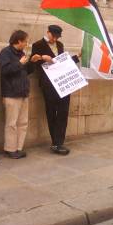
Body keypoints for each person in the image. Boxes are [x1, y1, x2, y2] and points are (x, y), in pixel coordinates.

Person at [31, 25, 80, 155]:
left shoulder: (60, 45)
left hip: (63, 83)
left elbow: (62, 63)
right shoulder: (37, 45)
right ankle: (55, 143)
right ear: (48, 33)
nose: (55, 39)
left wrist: (77, 57)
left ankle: (60, 142)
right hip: (48, 85)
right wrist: (42, 58)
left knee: (63, 112)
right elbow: (33, 64)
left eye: (57, 36)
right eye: (54, 36)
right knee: (51, 112)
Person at [0, 30, 42, 159]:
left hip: (23, 92)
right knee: (11, 123)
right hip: (11, 93)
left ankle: (18, 147)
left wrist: (32, 62)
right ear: (19, 41)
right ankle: (10, 149)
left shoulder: (22, 53)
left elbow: (26, 72)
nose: (27, 44)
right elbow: (5, 70)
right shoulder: (5, 53)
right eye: (25, 41)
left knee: (23, 123)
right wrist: (20, 63)